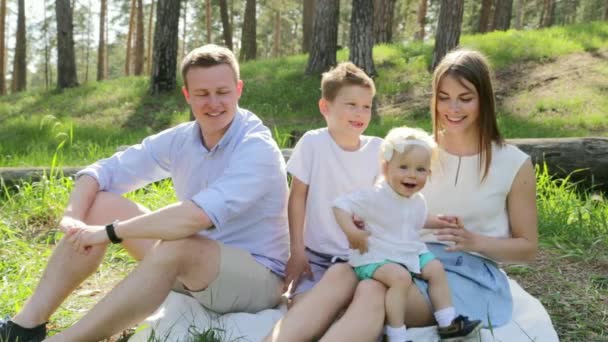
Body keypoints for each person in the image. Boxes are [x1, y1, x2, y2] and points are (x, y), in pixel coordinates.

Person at [0, 44, 289, 342]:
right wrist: (74, 218)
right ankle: (25, 326)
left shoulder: (256, 148)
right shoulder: (183, 139)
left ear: (238, 90)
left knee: (179, 246)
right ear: (187, 95)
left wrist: (108, 233)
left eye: (222, 92)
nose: (213, 103)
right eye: (202, 94)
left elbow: (193, 218)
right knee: (99, 204)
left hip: (258, 279)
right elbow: (102, 172)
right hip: (194, 264)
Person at [268, 48, 539, 341]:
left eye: (465, 98)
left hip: (462, 273)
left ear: (484, 99)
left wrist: (475, 241)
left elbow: (528, 248)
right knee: (340, 274)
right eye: (444, 98)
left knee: (373, 292)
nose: (453, 109)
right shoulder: (418, 151)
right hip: (400, 253)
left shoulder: (513, 163)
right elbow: (385, 201)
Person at [265, 62, 387, 341]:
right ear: (325, 107)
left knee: (358, 314)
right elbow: (297, 198)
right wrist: (297, 251)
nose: (360, 113)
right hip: (316, 258)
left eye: (366, 106)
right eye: (351, 105)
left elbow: (382, 202)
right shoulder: (313, 143)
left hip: (360, 260)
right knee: (303, 311)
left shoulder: (378, 150)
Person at [332, 126, 482, 342]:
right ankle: (396, 334)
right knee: (400, 278)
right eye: (403, 167)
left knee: (436, 268)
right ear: (386, 169)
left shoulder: (416, 200)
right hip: (375, 256)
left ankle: (448, 323)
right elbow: (339, 205)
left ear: (428, 174)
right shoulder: (374, 196)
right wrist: (351, 231)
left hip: (405, 249)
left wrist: (442, 221)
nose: (412, 174)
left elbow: (418, 220)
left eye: (420, 169)